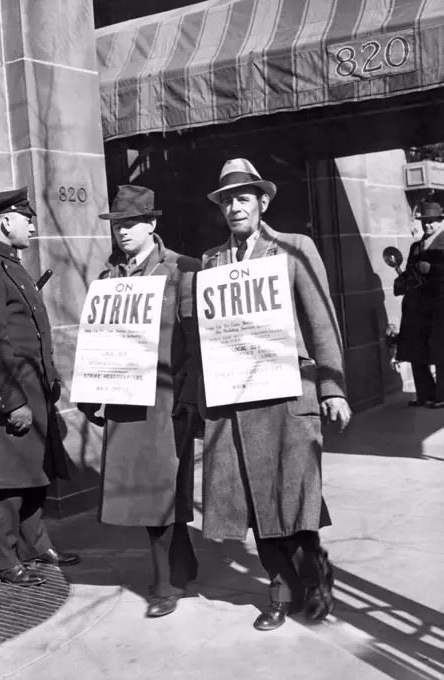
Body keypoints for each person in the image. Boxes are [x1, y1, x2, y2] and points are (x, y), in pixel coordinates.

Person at [199, 159, 352, 631]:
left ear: (262, 202)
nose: (234, 207)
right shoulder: (211, 263)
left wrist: (332, 388)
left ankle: (315, 576)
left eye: (243, 197)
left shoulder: (293, 249)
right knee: (253, 506)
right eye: (227, 199)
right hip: (236, 404)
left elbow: (321, 322)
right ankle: (279, 592)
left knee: (294, 501)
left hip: (289, 398)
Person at [77, 185, 201, 618]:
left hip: (167, 401)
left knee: (160, 490)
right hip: (124, 400)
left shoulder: (181, 270)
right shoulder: (108, 281)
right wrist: (90, 395)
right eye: (117, 225)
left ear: (152, 224)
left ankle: (165, 583)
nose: (123, 232)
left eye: (131, 223)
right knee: (154, 493)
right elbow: (95, 340)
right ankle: (181, 567)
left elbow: (195, 337)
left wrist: (188, 396)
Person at [0, 187, 79, 587]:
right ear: (6, 221)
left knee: (32, 476)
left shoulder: (8, 263)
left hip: (32, 391)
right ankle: (2, 560)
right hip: (6, 400)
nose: (32, 227)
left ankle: (33, 545)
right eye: (27, 220)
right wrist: (13, 403)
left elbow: (31, 334)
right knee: (4, 483)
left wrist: (50, 379)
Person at [395, 200, 444, 408]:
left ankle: (441, 396)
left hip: (440, 302)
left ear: (441, 221)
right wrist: (402, 280)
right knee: (416, 348)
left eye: (431, 221)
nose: (427, 225)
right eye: (424, 221)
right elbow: (409, 271)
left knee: (440, 349)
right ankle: (425, 394)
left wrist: (432, 268)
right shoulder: (416, 246)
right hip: (417, 305)